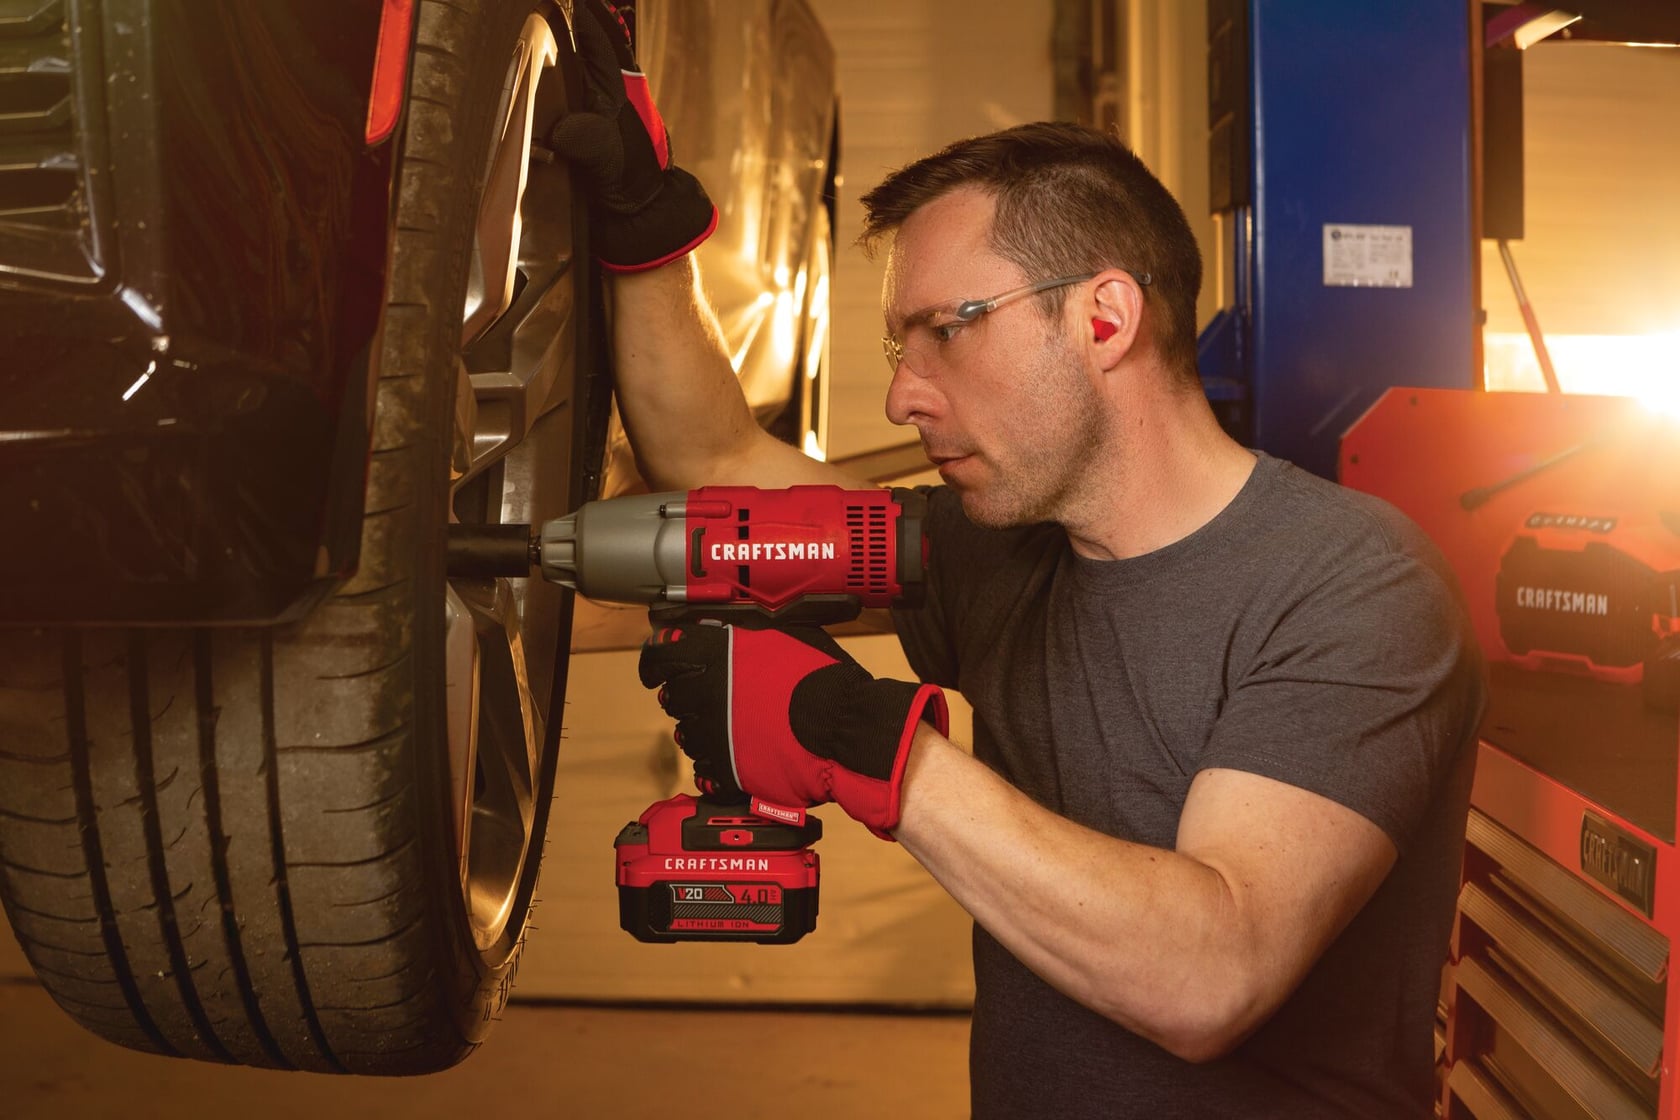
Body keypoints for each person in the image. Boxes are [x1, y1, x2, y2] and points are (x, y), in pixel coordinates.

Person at [552, 3, 1486, 1116]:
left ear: (1103, 320)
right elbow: (713, 464)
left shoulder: (1352, 586)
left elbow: (1212, 972)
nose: (902, 391)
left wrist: (864, 745)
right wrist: (650, 236)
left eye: (947, 329)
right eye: (901, 347)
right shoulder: (991, 552)